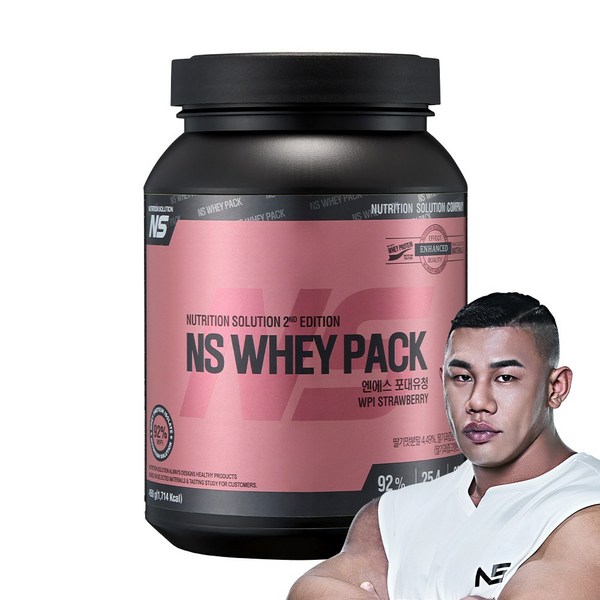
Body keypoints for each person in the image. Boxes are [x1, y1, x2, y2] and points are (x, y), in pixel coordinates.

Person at [288, 292, 600, 600]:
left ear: (556, 387)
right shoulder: (389, 517)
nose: (478, 401)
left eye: (505, 378)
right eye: (462, 377)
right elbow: (308, 590)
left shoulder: (587, 517)